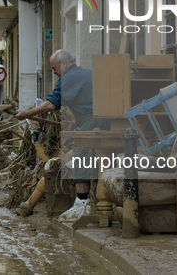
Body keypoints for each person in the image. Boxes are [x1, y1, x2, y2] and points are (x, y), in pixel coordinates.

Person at [15, 49, 109, 219]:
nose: (55, 72)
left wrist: (27, 114)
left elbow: (51, 104)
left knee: (82, 156)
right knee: (97, 160)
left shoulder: (68, 78)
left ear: (64, 63)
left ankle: (82, 205)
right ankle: (93, 201)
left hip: (94, 123)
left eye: (55, 68)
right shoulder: (88, 73)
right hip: (107, 120)